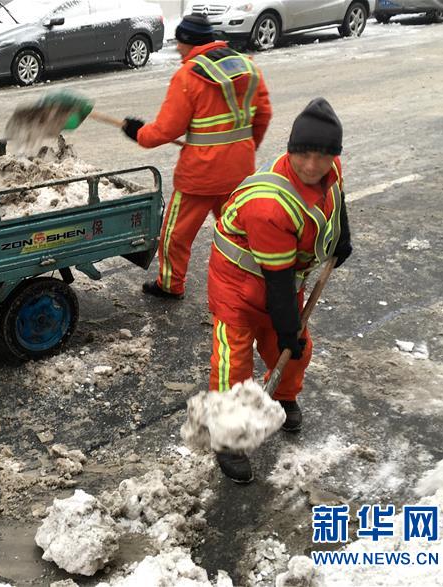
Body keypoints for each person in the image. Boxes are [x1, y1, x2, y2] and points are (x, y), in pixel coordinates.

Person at [206, 98, 353, 483]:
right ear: (291, 150)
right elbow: (276, 282)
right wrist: (289, 326)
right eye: (303, 154)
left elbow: (336, 202)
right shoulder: (270, 204)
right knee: (234, 363)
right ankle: (228, 439)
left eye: (322, 156)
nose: (311, 165)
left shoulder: (330, 171)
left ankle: (284, 396)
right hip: (238, 284)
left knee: (293, 351)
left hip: (285, 279)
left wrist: (342, 238)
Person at [121, 14, 271, 300]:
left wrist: (138, 133)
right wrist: (246, 147)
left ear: (188, 42)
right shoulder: (248, 67)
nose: (177, 49)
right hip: (239, 172)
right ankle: (253, 281)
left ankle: (170, 284)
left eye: (179, 43)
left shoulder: (189, 75)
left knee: (175, 235)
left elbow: (167, 129)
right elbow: (263, 114)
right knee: (240, 232)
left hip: (199, 177)